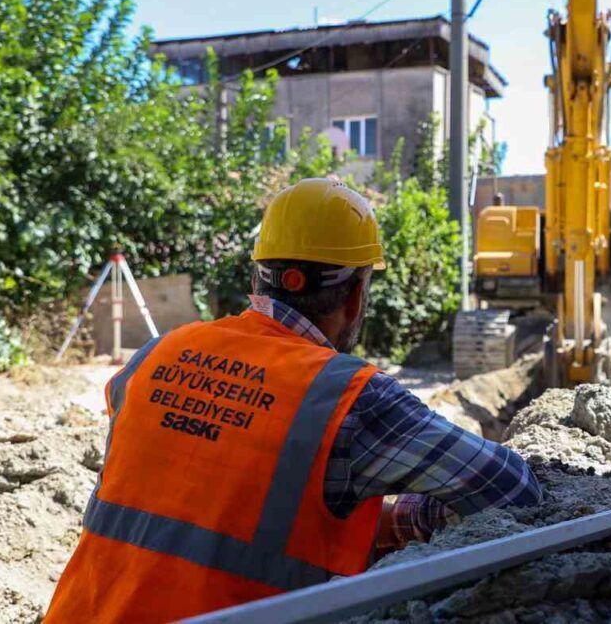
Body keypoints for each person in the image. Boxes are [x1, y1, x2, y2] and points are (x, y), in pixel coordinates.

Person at [45, 179, 543, 623]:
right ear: (356, 296)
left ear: (256, 279)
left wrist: (392, 519)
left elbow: (211, 511)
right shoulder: (351, 399)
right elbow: (513, 488)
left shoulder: (152, 358)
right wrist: (425, 512)